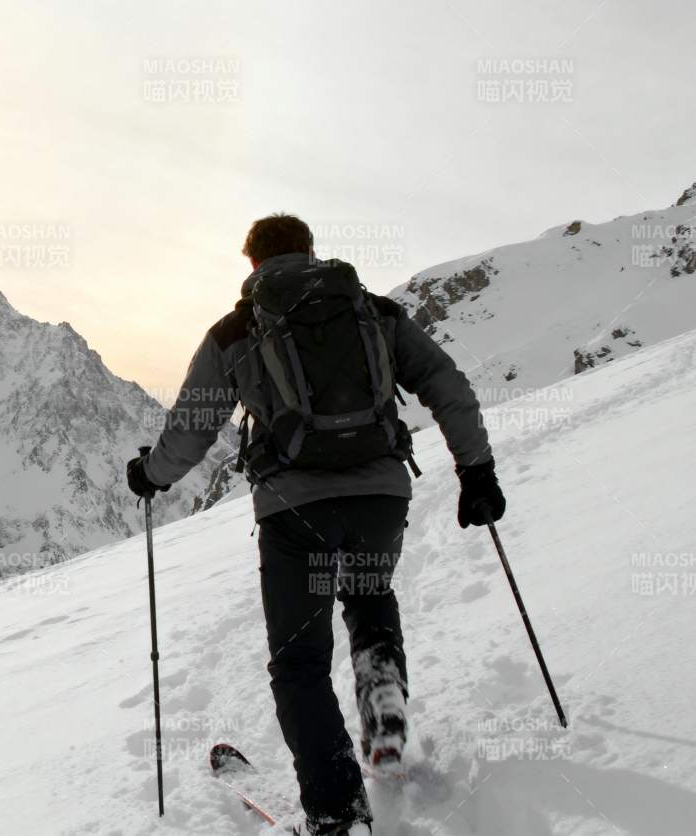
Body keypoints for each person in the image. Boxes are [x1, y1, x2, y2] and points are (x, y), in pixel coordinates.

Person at [124, 213, 505, 836]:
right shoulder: (372, 311)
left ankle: (336, 816)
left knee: (300, 664)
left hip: (292, 511)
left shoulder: (237, 329)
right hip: (381, 495)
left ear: (252, 264)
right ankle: (383, 714)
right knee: (369, 596)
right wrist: (477, 469)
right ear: (310, 251)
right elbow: (445, 382)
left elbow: (193, 426)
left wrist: (152, 474)